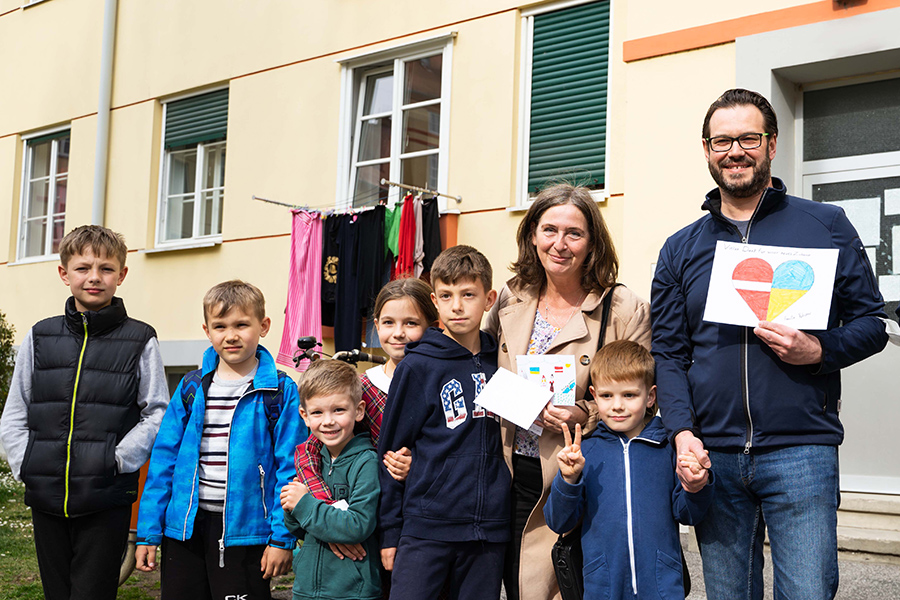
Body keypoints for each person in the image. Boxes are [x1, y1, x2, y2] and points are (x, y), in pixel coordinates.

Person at [651, 88, 891, 600]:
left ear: (772, 144)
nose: (734, 151)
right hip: (712, 451)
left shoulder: (825, 225)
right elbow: (668, 353)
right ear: (707, 149)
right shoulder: (680, 248)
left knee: (807, 592)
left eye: (748, 138)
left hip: (802, 449)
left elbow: (873, 321)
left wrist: (820, 350)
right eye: (722, 141)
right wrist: (681, 433)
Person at [483, 183, 651, 600]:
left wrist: (584, 413)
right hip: (511, 474)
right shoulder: (509, 296)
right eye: (549, 230)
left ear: (593, 242)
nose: (560, 244)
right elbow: (478, 368)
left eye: (574, 233)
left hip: (581, 479)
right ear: (532, 234)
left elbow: (648, 391)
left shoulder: (623, 306)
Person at [0, 225, 169, 600]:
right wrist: (24, 462)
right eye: (83, 268)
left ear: (121, 275)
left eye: (106, 268)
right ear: (64, 274)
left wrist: (118, 460)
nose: (95, 277)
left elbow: (157, 412)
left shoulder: (140, 339)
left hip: (105, 494)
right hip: (46, 494)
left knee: (92, 593)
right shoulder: (40, 337)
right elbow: (15, 409)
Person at [134, 280, 305, 600]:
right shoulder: (191, 387)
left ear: (263, 326)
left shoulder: (280, 391)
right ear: (207, 330)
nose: (231, 335)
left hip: (248, 532)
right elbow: (163, 461)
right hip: (185, 530)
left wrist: (282, 538)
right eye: (220, 326)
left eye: (242, 324)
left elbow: (291, 468)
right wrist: (149, 532)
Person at [377, 245, 510, 600]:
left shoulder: (501, 361)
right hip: (426, 528)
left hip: (488, 532)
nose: (457, 306)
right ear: (434, 300)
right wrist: (390, 532)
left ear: (489, 298)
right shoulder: (417, 367)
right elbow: (390, 451)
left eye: (469, 294)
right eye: (447, 296)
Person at [544, 340, 713, 600]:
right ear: (594, 394)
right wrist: (568, 479)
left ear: (651, 396)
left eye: (629, 395)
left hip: (662, 587)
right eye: (607, 395)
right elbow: (559, 521)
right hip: (603, 588)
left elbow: (688, 514)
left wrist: (696, 486)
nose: (618, 406)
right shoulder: (585, 452)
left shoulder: (668, 448)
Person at [293, 278, 438, 566]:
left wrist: (418, 466)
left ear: (431, 327)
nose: (398, 334)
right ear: (375, 325)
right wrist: (329, 512)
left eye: (411, 323)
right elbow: (309, 452)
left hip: (422, 522)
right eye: (388, 323)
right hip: (365, 523)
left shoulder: (437, 383)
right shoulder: (361, 389)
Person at [281, 359, 382, 600]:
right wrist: (290, 507)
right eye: (317, 412)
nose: (328, 421)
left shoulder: (366, 462)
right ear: (304, 416)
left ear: (358, 411)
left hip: (352, 591)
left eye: (338, 410)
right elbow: (298, 530)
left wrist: (303, 503)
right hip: (306, 589)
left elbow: (358, 526)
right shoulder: (311, 462)